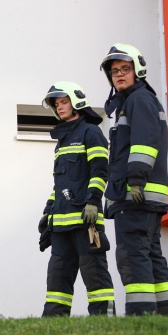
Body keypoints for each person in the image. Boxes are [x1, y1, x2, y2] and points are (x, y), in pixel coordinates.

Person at [99, 43, 168, 316]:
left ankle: (141, 316)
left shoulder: (138, 100)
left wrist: (134, 180)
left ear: (138, 70)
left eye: (125, 69)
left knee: (133, 255)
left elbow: (145, 143)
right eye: (114, 71)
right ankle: (167, 316)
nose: (119, 75)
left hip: (135, 194)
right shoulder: (137, 101)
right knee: (151, 255)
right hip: (145, 195)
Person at [38, 81, 116, 317]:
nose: (60, 107)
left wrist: (93, 202)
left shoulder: (91, 132)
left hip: (85, 220)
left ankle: (104, 319)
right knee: (58, 274)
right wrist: (48, 211)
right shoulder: (62, 139)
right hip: (61, 224)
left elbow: (100, 171)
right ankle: (53, 323)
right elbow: (60, 183)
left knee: (94, 271)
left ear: (77, 103)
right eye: (57, 104)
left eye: (64, 102)